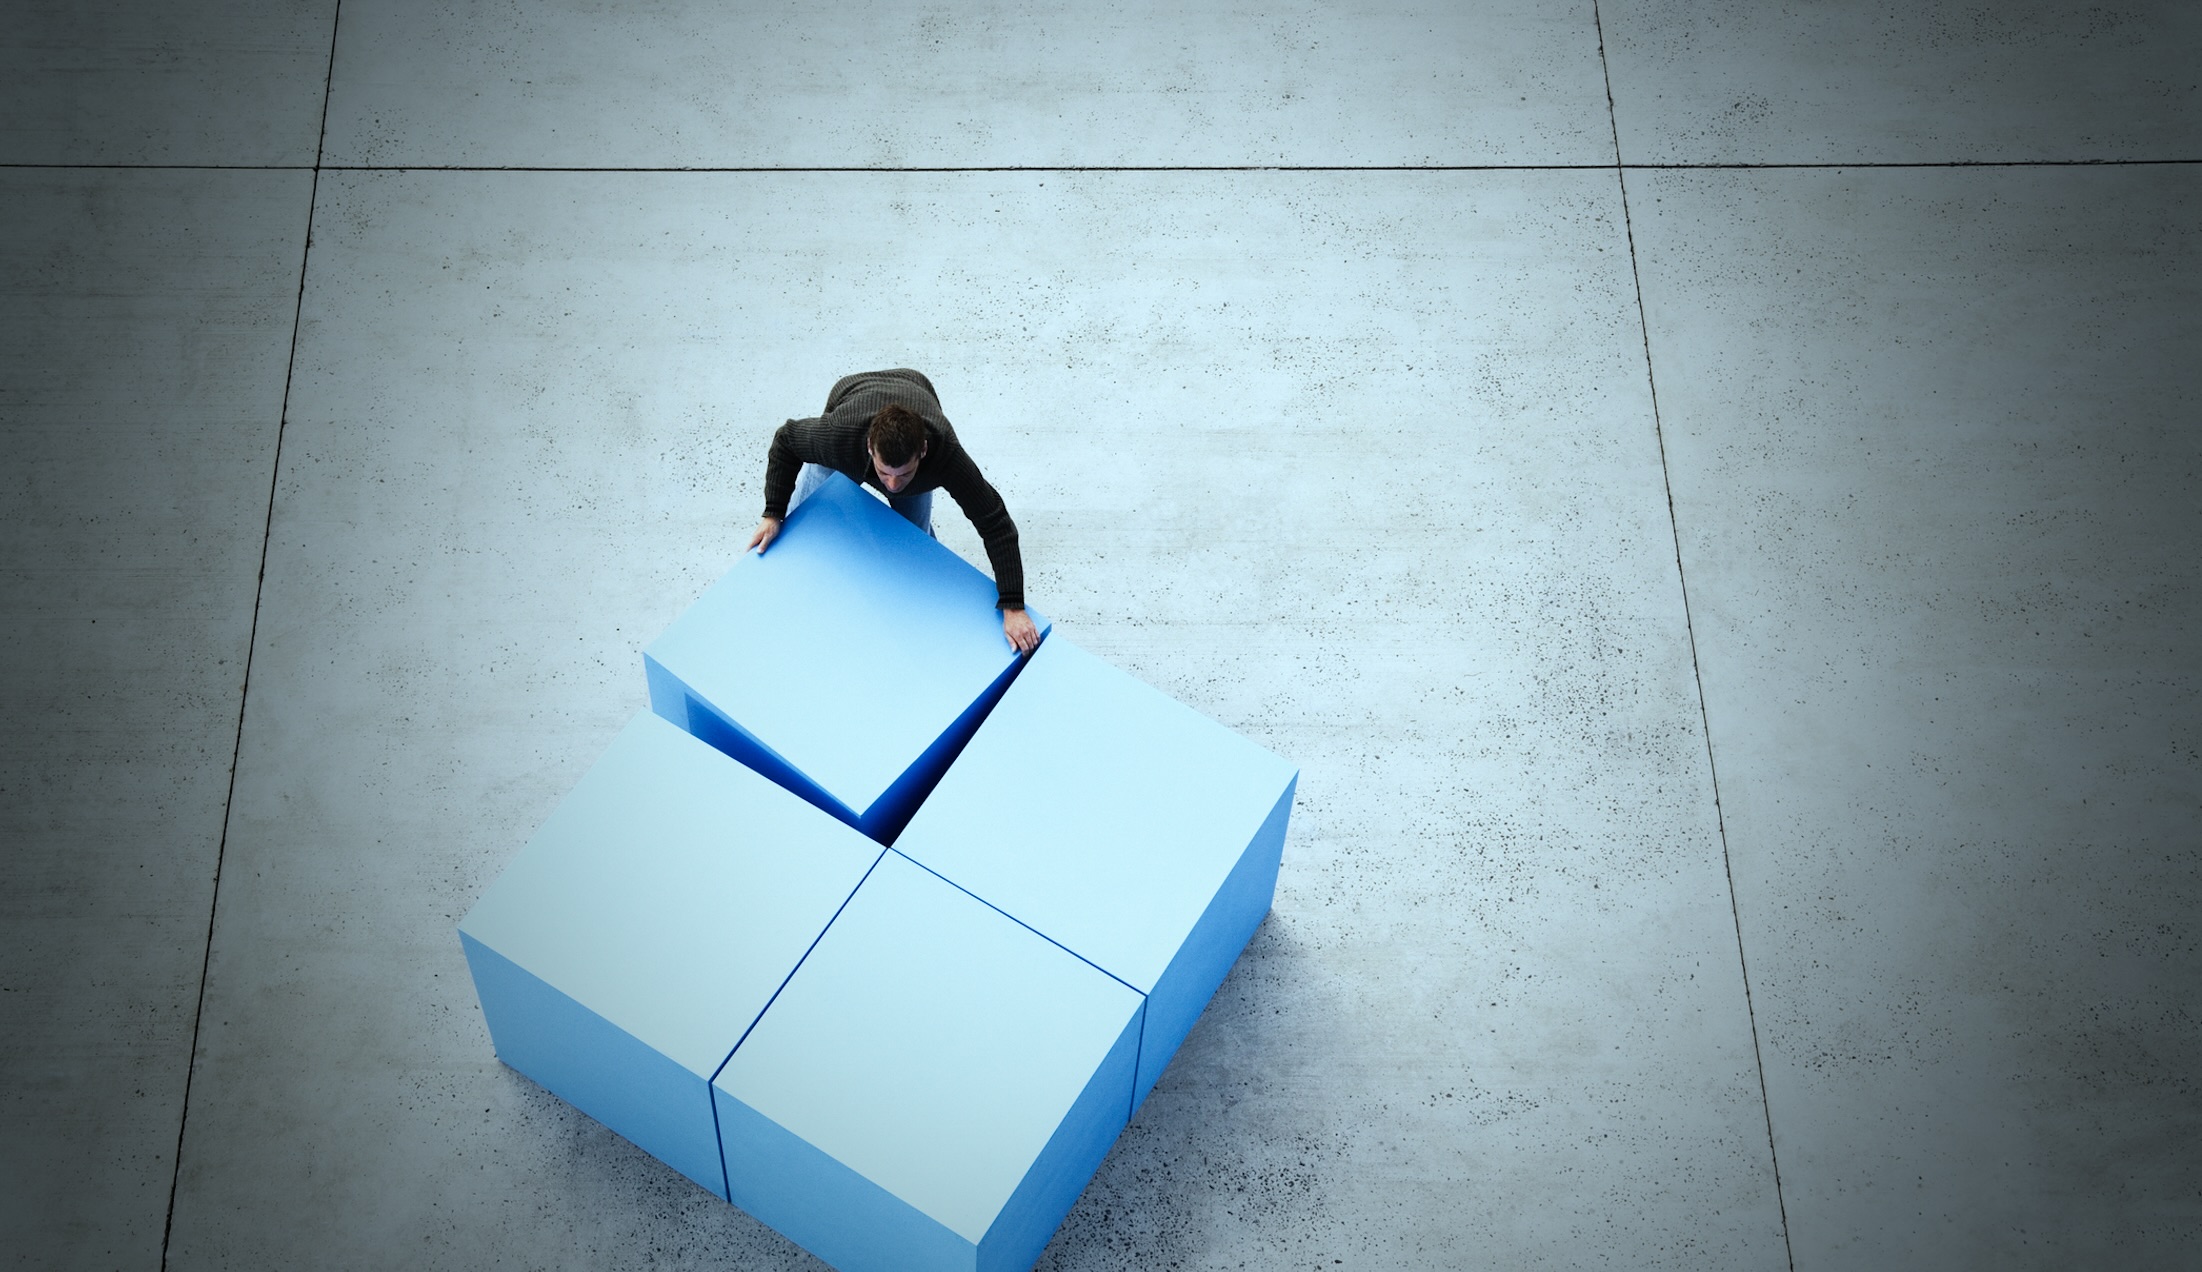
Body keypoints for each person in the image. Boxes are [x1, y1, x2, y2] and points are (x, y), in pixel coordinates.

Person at [747, 369, 1040, 654]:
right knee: (805, 518)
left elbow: (995, 521)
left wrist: (1013, 605)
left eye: (904, 474)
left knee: (914, 536)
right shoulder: (838, 436)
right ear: (870, 448)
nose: (892, 484)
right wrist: (773, 512)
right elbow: (786, 439)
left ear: (922, 451)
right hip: (852, 398)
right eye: (885, 473)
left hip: (916, 388)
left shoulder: (945, 455)